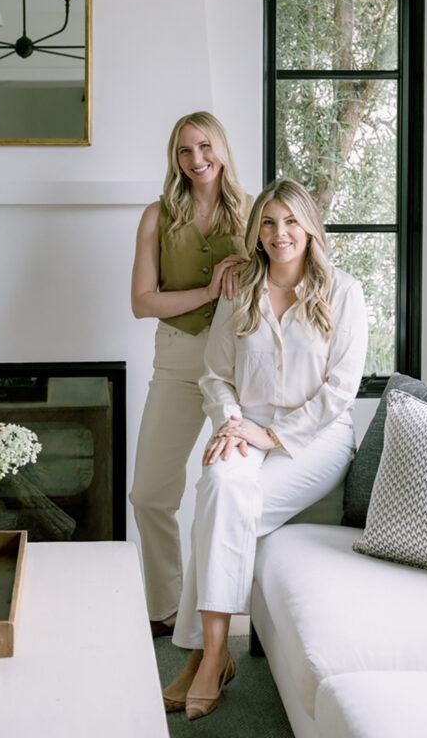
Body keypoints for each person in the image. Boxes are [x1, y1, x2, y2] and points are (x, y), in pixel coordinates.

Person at [163, 178, 368, 720]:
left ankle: (203, 660)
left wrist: (272, 436)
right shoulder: (241, 290)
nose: (281, 234)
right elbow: (215, 374)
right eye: (270, 223)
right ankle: (213, 655)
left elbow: (341, 390)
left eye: (292, 222)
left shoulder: (343, 292)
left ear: (309, 228)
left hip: (316, 441)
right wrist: (233, 423)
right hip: (243, 426)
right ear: (257, 232)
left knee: (227, 507)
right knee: (219, 487)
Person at [129, 111, 250, 638]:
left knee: (239, 486)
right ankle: (167, 609)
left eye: (204, 146)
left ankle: (250, 613)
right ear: (174, 159)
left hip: (240, 363)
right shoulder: (157, 216)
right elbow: (141, 301)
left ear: (221, 148)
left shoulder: (253, 213)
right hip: (177, 359)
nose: (196, 159)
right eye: (184, 151)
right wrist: (206, 291)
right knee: (150, 493)